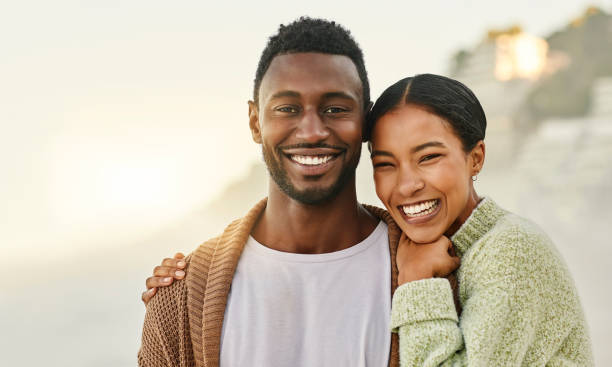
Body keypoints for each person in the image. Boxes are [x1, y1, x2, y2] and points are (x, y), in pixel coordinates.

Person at [146, 74, 594, 366]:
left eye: (429, 157)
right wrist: (192, 277)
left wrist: (417, 284)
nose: (407, 185)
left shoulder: (509, 249)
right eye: (386, 163)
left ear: (476, 157)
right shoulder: (450, 246)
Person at [138, 17, 417, 367]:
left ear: (365, 121)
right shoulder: (179, 297)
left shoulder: (431, 271)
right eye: (287, 108)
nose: (313, 131)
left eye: (335, 109)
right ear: (255, 122)